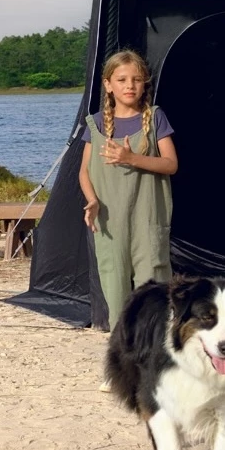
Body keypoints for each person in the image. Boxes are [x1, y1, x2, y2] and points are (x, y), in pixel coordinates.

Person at [80, 50, 179, 330]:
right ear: (108, 84)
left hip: (148, 221)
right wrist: (92, 200)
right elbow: (84, 172)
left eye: (136, 79)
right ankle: (123, 352)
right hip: (110, 223)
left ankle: (156, 348)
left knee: (154, 287)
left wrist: (131, 158)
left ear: (144, 83)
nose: (129, 86)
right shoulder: (96, 123)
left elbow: (171, 164)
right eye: (122, 79)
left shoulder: (155, 118)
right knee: (115, 286)